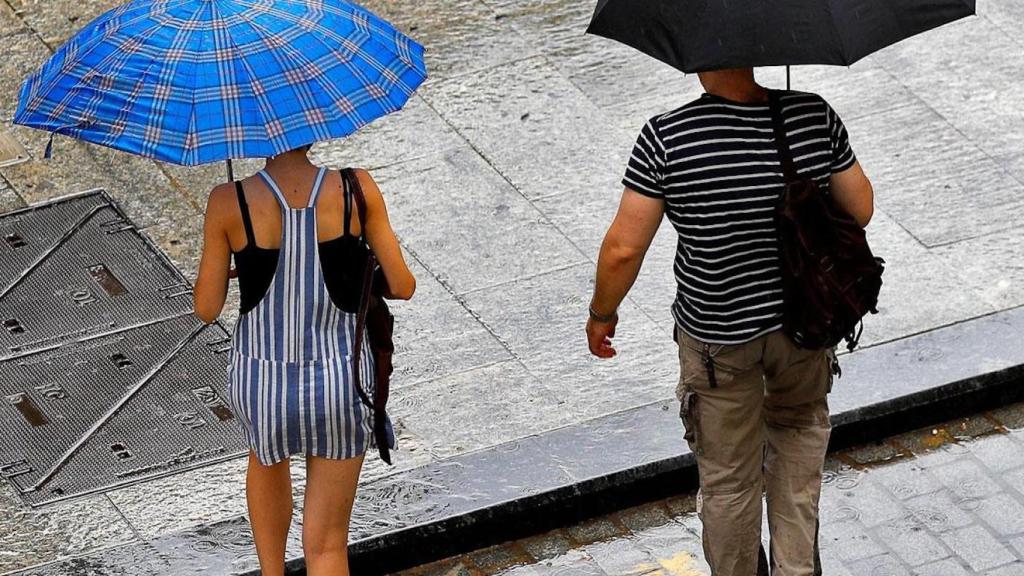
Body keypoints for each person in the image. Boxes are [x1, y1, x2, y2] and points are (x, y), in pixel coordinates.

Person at [586, 68, 873, 576]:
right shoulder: (811, 113)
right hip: (804, 325)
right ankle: (796, 569)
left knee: (729, 479)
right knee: (798, 449)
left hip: (718, 339)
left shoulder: (667, 138)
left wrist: (602, 314)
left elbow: (623, 250)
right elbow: (862, 208)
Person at [193, 145, 415, 576]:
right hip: (339, 381)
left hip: (262, 385)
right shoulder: (356, 190)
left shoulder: (228, 201)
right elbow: (403, 285)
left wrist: (232, 263)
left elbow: (206, 307)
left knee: (266, 459)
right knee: (328, 546)